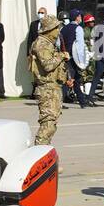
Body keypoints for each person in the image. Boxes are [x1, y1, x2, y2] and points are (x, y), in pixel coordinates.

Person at [29, 14, 70, 145]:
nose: (58, 31)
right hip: (46, 88)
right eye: (56, 28)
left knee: (51, 125)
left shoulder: (49, 44)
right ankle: (38, 154)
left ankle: (45, 154)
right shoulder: (41, 44)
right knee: (47, 125)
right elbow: (47, 65)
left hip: (53, 87)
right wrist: (61, 56)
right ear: (49, 29)